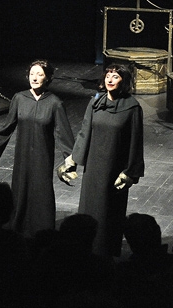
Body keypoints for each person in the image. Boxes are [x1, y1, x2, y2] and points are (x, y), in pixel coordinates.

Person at [63, 62, 144, 257]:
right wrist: (73, 159)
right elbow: (85, 131)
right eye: (108, 75)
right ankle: (85, 248)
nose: (110, 79)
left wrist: (130, 172)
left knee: (110, 211)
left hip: (114, 168)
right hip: (93, 167)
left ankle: (105, 252)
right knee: (89, 207)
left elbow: (136, 141)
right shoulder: (96, 102)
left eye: (115, 76)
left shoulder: (132, 107)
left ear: (123, 81)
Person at [0, 59, 75, 237]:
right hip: (22, 155)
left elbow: (63, 133)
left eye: (39, 74)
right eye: (32, 74)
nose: (34, 78)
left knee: (41, 190)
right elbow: (8, 126)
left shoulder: (54, 103)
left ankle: (42, 229)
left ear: (48, 78)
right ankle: (18, 226)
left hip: (42, 156)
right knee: (21, 188)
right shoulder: (19, 98)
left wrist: (70, 160)